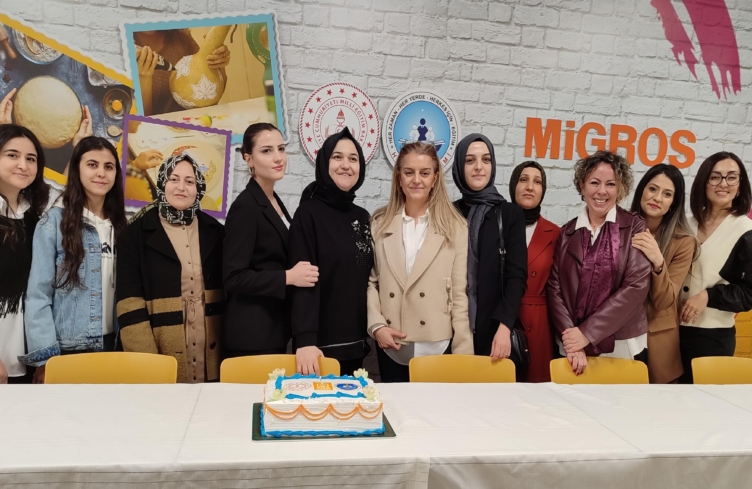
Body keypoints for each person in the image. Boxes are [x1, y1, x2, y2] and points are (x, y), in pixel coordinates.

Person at [21, 137, 126, 383]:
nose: (101, 173)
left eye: (109, 167)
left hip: (114, 347)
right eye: (92, 165)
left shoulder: (122, 227)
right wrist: (46, 359)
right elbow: (38, 295)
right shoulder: (53, 224)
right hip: (68, 350)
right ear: (77, 170)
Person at [368, 142, 473, 382]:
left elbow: (459, 295)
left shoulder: (455, 227)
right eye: (409, 172)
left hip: (437, 344)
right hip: (392, 343)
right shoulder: (379, 224)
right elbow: (371, 283)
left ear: (435, 178)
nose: (417, 180)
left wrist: (464, 354)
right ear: (399, 177)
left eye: (425, 173)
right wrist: (377, 326)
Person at [117, 153, 225, 383]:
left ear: (199, 188)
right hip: (160, 352)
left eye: (190, 181)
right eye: (173, 179)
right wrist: (149, 365)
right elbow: (129, 304)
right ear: (162, 183)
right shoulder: (134, 235)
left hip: (211, 354)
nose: (181, 187)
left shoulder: (216, 232)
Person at [547, 150, 651, 375]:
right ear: (582, 186)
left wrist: (587, 332)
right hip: (573, 345)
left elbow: (636, 286)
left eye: (610, 184)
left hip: (621, 343)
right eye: (594, 182)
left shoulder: (635, 226)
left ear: (620, 188)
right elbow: (555, 288)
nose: (602, 191)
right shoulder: (567, 232)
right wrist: (572, 338)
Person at [223, 123, 318, 357]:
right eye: (267, 151)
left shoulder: (272, 199)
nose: (278, 158)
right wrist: (288, 277)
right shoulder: (246, 207)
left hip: (273, 329)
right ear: (249, 159)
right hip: (252, 336)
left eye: (281, 149)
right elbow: (233, 277)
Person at [289, 128, 372, 376]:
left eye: (353, 158)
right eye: (337, 157)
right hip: (318, 349)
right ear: (325, 163)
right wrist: (305, 339)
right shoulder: (308, 214)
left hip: (357, 343)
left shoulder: (362, 217)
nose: (346, 165)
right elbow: (303, 282)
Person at [450, 134, 526, 368]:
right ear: (459, 166)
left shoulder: (509, 214)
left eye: (486, 159)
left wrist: (504, 327)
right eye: (469, 160)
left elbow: (517, 277)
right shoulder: (448, 213)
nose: (478, 167)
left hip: (494, 331)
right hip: (451, 329)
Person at [678, 152, 752, 383]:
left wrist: (708, 296)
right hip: (671, 332)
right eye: (715, 177)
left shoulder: (745, 230)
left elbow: (749, 293)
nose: (723, 183)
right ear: (704, 182)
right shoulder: (686, 224)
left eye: (731, 177)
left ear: (740, 186)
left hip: (712, 337)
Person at [629, 164, 698, 383]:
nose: (657, 198)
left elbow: (664, 300)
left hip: (657, 339)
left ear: (673, 203)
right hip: (619, 332)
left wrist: (658, 261)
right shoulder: (619, 228)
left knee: (658, 402)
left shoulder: (684, 242)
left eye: (667, 194)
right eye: (652, 189)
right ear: (642, 190)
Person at [0, 125, 49, 384]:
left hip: (24, 358)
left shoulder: (34, 220)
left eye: (31, 159)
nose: (23, 165)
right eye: (12, 155)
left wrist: (43, 358)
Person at [509, 160, 560, 382]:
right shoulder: (497, 226)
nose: (530, 187)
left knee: (538, 392)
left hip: (540, 325)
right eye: (523, 180)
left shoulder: (556, 233)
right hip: (503, 322)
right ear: (513, 185)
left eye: (537, 182)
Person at [134, 29, 230, 116]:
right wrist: (144, 78)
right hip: (156, 129)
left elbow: (211, 96)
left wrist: (218, 63)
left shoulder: (181, 38)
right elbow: (139, 123)